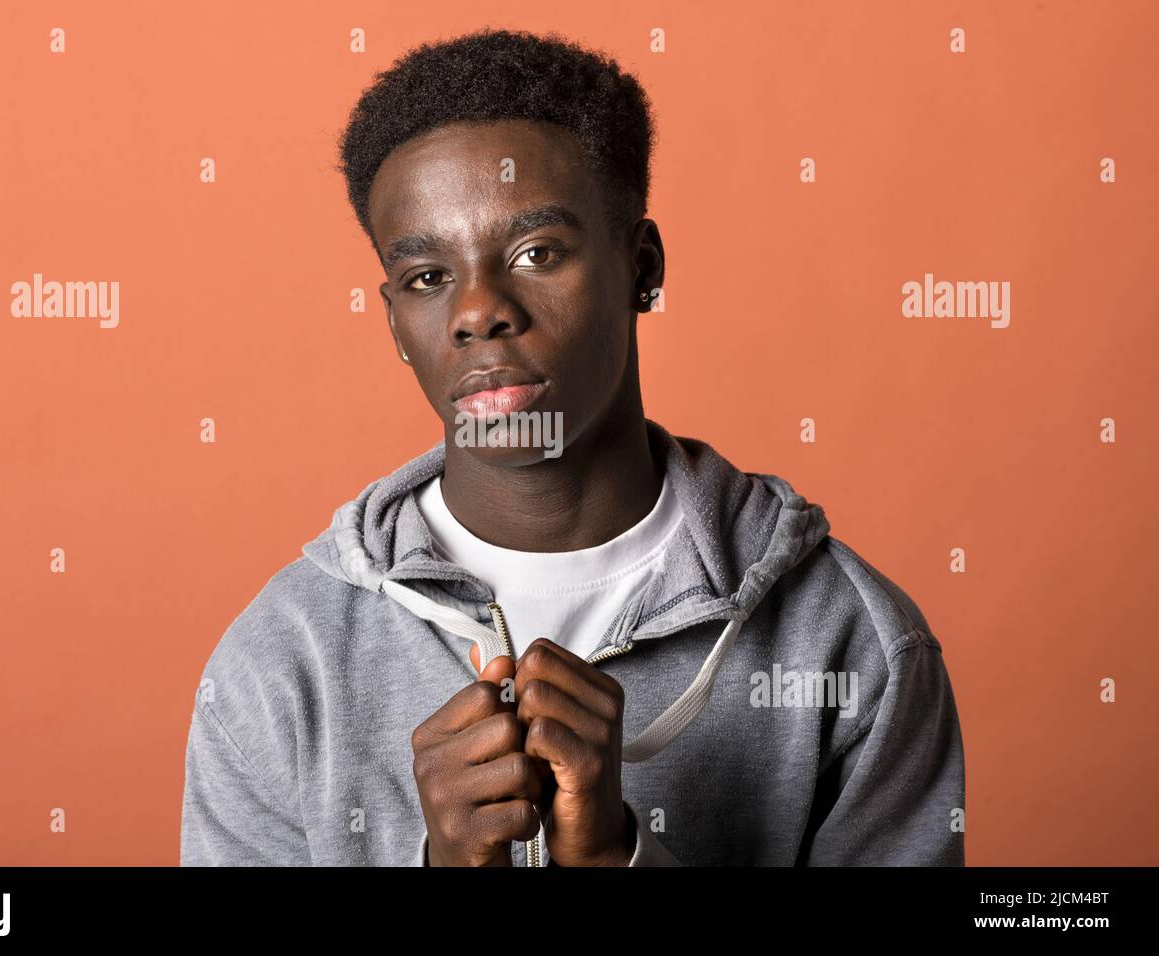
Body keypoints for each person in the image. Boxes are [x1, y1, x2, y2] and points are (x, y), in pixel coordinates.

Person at [180, 27, 965, 866]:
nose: (478, 310)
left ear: (642, 267)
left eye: (535, 253)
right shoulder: (280, 663)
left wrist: (612, 860)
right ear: (396, 326)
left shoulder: (848, 644)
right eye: (428, 278)